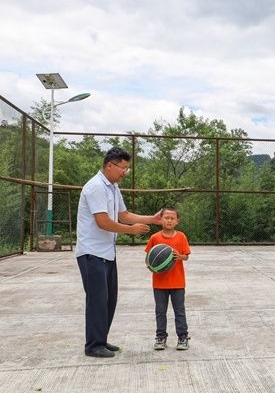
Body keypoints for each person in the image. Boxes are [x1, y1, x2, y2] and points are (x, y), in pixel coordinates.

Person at [76, 147, 161, 358]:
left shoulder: (113, 187)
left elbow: (124, 215)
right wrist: (131, 231)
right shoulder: (96, 187)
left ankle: (101, 339)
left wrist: (152, 219)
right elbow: (102, 221)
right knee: (97, 300)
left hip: (107, 253)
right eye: (123, 168)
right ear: (109, 166)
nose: (125, 172)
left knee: (108, 300)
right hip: (92, 253)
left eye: (127, 169)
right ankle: (93, 345)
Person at [144, 207, 191, 351]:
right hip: (159, 283)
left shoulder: (181, 236)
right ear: (160, 220)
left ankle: (183, 337)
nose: (169, 220)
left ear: (177, 221)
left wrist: (180, 256)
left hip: (177, 282)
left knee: (179, 311)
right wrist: (151, 266)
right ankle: (160, 337)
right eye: (166, 217)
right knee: (160, 311)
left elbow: (186, 256)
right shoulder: (155, 238)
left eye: (172, 218)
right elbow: (148, 258)